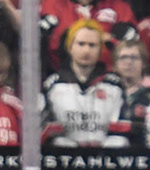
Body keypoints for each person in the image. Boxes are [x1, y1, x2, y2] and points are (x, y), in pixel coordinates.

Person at [41, 18, 132, 147]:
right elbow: (47, 132)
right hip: (65, 156)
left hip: (105, 156)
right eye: (81, 44)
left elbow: (121, 132)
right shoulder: (53, 85)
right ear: (70, 47)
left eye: (92, 45)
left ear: (100, 49)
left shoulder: (114, 85)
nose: (86, 51)